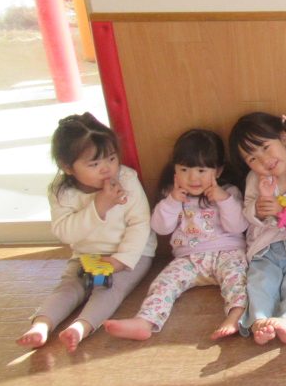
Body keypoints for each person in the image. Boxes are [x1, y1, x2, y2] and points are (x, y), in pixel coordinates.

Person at [16, 113, 155, 351]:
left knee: (110, 288)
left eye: (111, 158)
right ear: (67, 167)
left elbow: (140, 224)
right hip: (86, 255)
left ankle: (81, 327)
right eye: (94, 164)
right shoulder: (62, 192)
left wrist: (120, 260)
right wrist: (99, 207)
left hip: (132, 254)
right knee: (69, 286)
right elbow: (65, 233)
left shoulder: (127, 179)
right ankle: (41, 325)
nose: (107, 169)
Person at [105, 129, 248, 341]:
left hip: (228, 254)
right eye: (184, 169)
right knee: (163, 283)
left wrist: (223, 199)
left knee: (239, 282)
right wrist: (172, 201)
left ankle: (236, 316)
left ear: (218, 171)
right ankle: (145, 321)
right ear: (175, 170)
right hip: (188, 258)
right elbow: (160, 228)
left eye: (201, 170)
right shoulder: (172, 196)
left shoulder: (229, 192)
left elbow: (238, 227)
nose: (193, 177)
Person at [229, 112, 286, 345]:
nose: (264, 160)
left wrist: (282, 211)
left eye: (266, 148)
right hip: (265, 248)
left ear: (284, 138)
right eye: (252, 158)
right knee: (259, 281)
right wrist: (258, 210)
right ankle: (259, 320)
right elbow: (247, 212)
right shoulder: (254, 179)